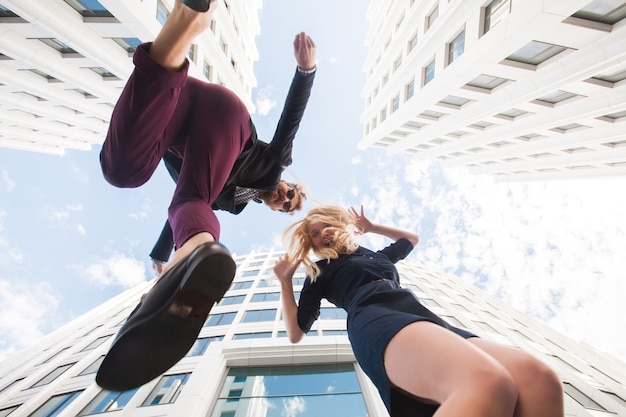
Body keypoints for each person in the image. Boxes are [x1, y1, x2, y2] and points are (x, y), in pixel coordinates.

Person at [96, 0, 316, 391]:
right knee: (193, 200)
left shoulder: (231, 204)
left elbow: (180, 208)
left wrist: (159, 254)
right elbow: (292, 119)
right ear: (286, 187)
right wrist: (305, 70)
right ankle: (195, 252)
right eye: (288, 197)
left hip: (175, 114)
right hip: (224, 116)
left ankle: (186, 21)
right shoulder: (275, 161)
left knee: (122, 171)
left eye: (285, 208)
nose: (283, 202)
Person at [274, 205, 565, 417]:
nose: (323, 233)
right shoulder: (319, 272)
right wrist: (286, 282)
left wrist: (371, 227)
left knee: (537, 378)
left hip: (414, 311)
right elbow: (297, 332)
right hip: (373, 316)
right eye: (314, 234)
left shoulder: (373, 255)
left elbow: (410, 240)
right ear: (311, 244)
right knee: (487, 383)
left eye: (326, 225)